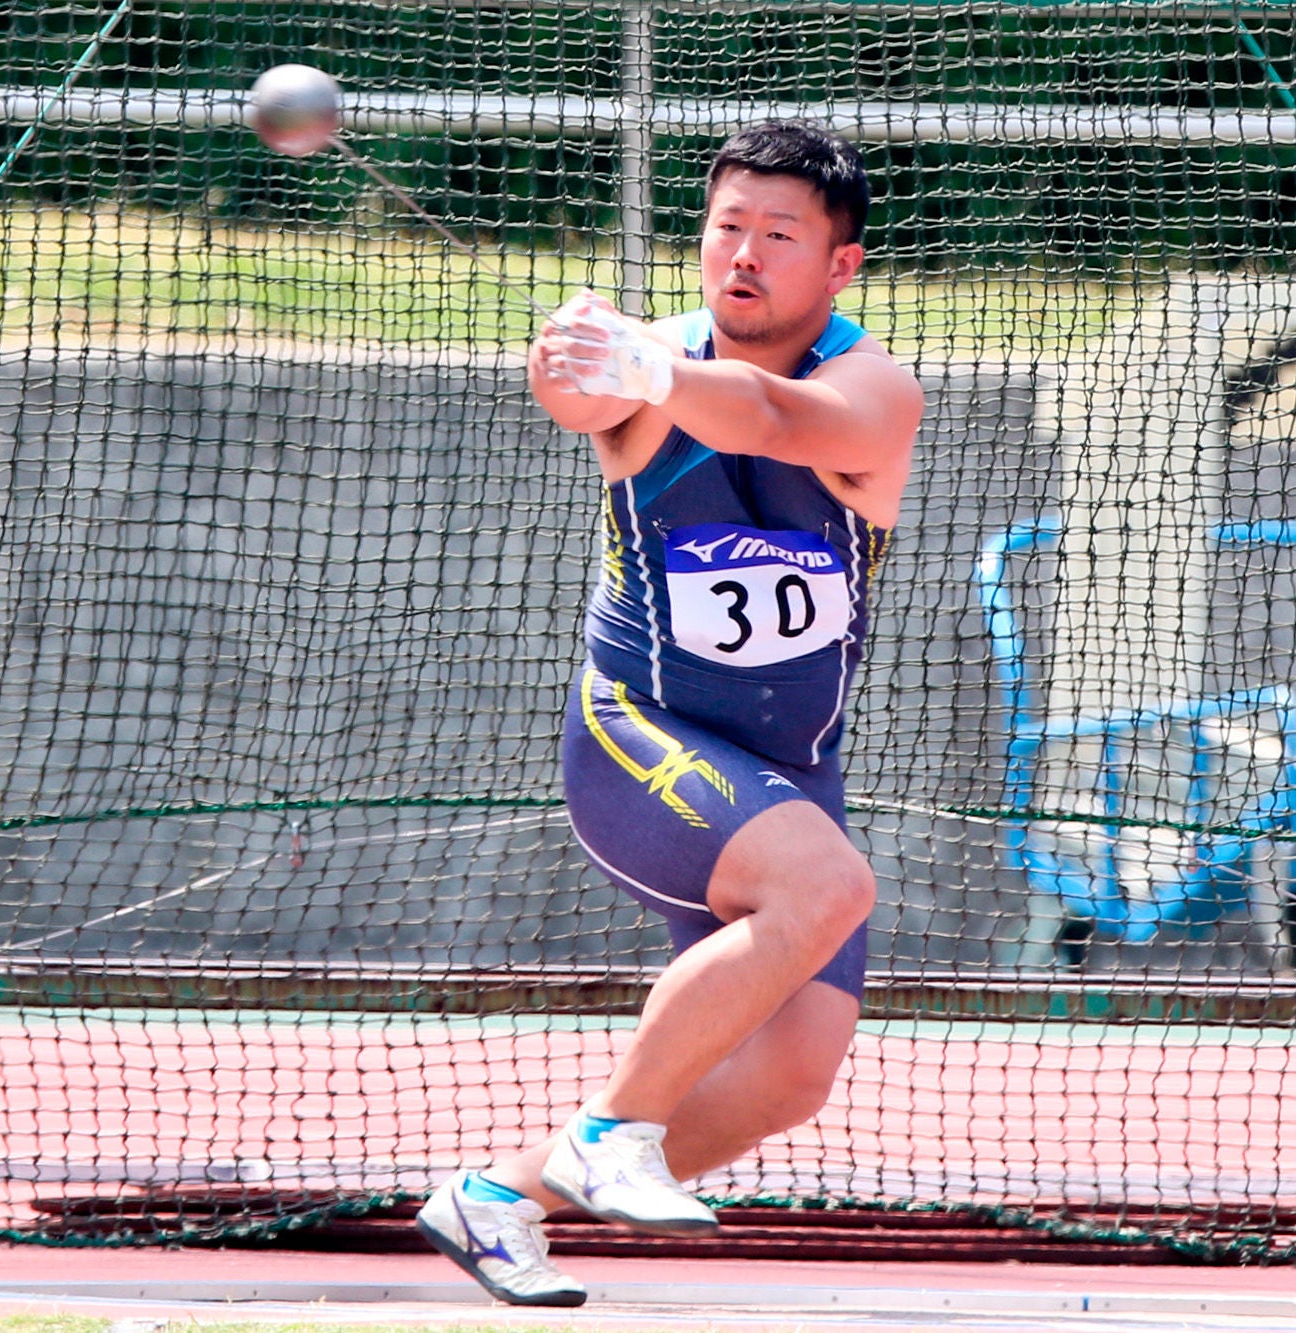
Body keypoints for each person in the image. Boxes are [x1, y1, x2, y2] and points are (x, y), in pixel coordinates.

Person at [415, 120, 923, 1307]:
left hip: (788, 770)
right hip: (637, 740)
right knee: (828, 887)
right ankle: (610, 1130)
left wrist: (646, 367)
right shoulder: (641, 370)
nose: (740, 255)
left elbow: (776, 422)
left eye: (777, 236)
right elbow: (573, 392)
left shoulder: (873, 388)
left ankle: (496, 1201)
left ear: (838, 266)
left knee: (791, 1075)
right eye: (724, 228)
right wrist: (574, 364)